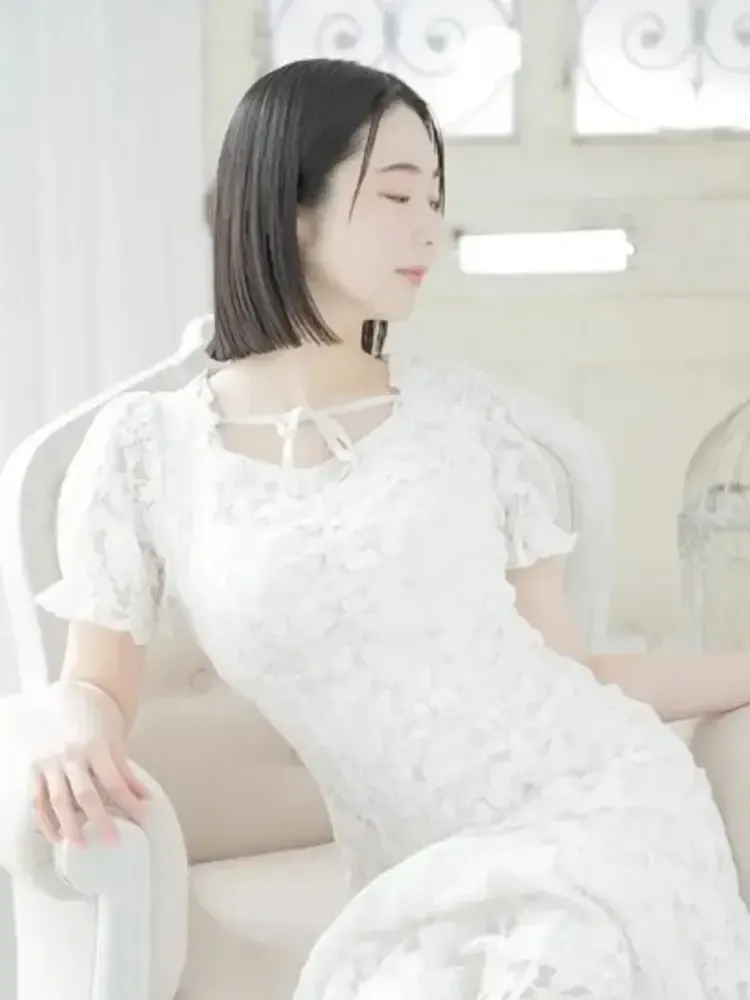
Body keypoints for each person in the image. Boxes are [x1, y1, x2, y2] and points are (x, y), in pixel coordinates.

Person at [28, 57, 750, 998]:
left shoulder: (469, 422)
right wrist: (70, 726)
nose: (430, 228)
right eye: (398, 195)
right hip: (424, 875)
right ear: (291, 207)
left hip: (602, 810)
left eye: (436, 199)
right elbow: (95, 680)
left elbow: (570, 671)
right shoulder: (144, 451)